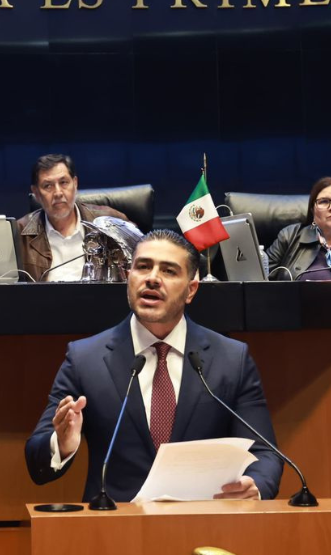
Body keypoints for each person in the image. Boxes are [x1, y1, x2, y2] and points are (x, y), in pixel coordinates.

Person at [25, 230, 284, 503]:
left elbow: (265, 453)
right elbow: (37, 462)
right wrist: (61, 444)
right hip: (115, 523)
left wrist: (255, 485)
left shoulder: (231, 359)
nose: (152, 278)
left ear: (191, 290)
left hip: (204, 519)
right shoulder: (85, 359)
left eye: (169, 271)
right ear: (128, 277)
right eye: (143, 267)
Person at [16, 154, 129, 282]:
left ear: (75, 183)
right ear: (36, 193)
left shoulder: (110, 223)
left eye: (63, 182)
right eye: (48, 186)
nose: (58, 193)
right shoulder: (19, 233)